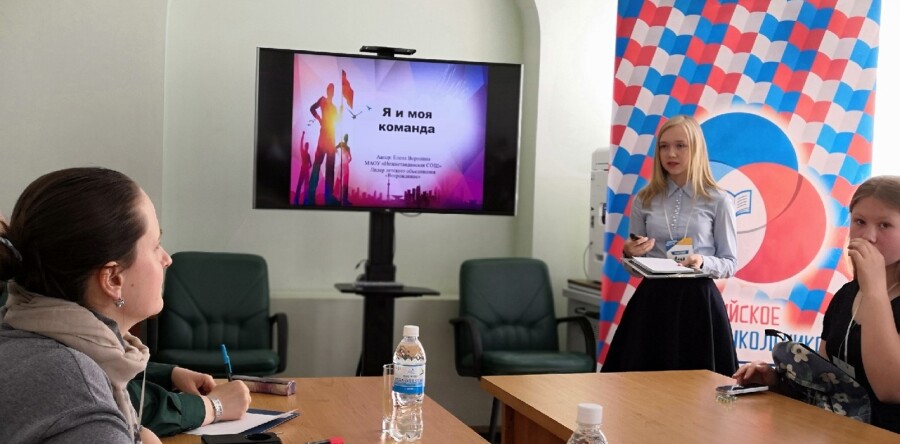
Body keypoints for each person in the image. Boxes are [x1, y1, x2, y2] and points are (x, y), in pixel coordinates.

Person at [0, 167, 250, 443]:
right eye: (156, 245)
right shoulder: (75, 385)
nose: (167, 259)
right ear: (113, 279)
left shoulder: (19, 334)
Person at [734, 175, 900, 433]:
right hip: (839, 433)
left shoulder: (875, 293)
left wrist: (875, 289)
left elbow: (890, 390)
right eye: (859, 222)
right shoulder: (846, 295)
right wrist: (775, 381)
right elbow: (826, 384)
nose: (868, 236)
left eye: (884, 225)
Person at [601, 114, 739, 376]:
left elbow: (730, 263)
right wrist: (629, 253)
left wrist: (702, 262)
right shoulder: (644, 198)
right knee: (641, 382)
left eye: (680, 146)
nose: (671, 153)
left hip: (698, 302)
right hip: (653, 300)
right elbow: (634, 267)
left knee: (699, 387)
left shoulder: (718, 200)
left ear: (696, 149)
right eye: (664, 146)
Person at [307, 83, 340, 206]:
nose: (331, 92)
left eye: (333, 90)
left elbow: (335, 123)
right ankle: (311, 195)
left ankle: (328, 196)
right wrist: (319, 119)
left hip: (331, 139)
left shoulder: (334, 108)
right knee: (317, 165)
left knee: (330, 169)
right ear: (327, 91)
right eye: (330, 89)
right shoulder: (323, 100)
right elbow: (312, 108)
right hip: (323, 138)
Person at [293, 130, 312, 206]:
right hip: (305, 169)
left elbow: (310, 164)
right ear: (307, 146)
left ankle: (301, 200)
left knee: (303, 185)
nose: (307, 147)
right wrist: (303, 135)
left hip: (305, 169)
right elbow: (311, 164)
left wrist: (308, 167)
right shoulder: (304, 153)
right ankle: (298, 200)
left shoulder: (306, 154)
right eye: (307, 146)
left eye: (307, 146)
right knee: (302, 185)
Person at [336, 133, 352, 205]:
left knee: (343, 181)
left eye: (346, 138)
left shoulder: (345, 146)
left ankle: (342, 198)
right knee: (341, 181)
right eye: (346, 138)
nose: (346, 139)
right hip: (343, 165)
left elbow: (350, 158)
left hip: (344, 165)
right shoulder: (344, 145)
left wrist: (346, 161)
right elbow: (350, 158)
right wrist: (339, 155)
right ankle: (339, 197)